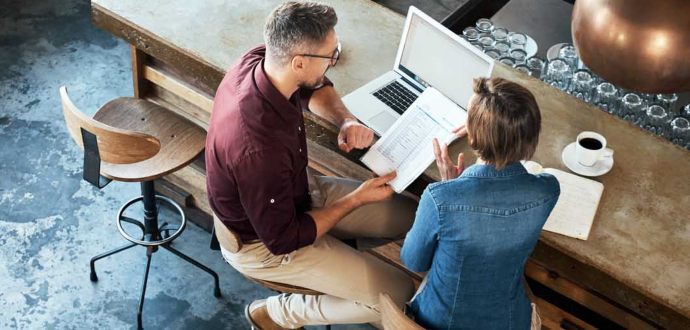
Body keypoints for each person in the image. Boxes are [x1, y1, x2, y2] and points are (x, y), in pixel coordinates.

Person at [205, 2, 417, 328]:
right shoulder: (258, 149)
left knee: (410, 215)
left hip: (297, 193)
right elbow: (283, 239)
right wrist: (355, 200)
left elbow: (313, 87)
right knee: (398, 295)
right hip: (263, 244)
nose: (333, 61)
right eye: (329, 56)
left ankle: (337, 257)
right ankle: (277, 314)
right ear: (299, 62)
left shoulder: (262, 61)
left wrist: (345, 121)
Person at [401, 77, 561, 329]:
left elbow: (414, 261)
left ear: (473, 137)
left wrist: (450, 187)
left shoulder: (439, 198)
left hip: (440, 322)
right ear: (532, 137)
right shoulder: (548, 190)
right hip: (508, 321)